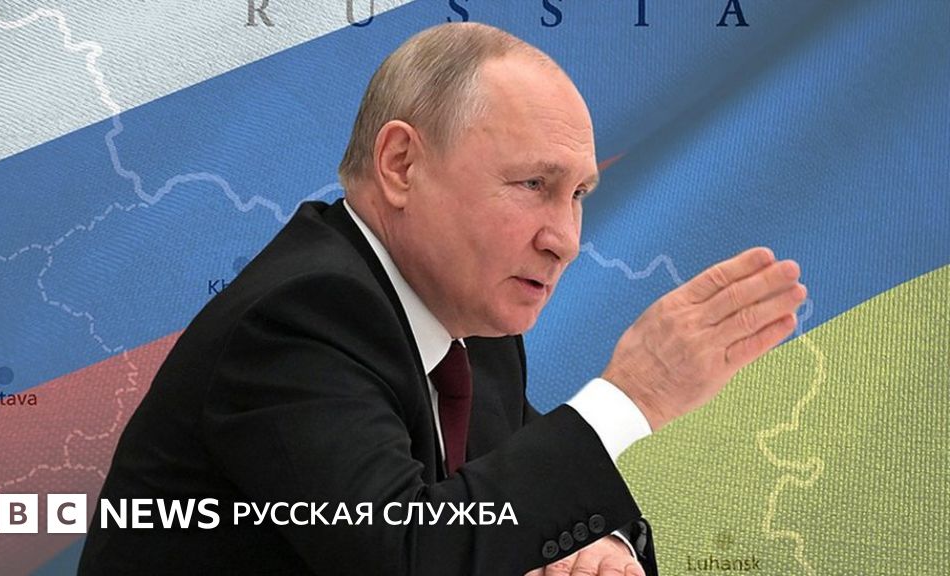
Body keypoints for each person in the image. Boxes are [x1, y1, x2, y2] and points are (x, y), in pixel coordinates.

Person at [78, 23, 806, 576]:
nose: (564, 239)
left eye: (578, 194)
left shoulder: (471, 326)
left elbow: (513, 490)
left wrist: (600, 547)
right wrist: (632, 396)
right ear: (401, 164)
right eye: (534, 184)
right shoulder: (300, 317)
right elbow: (405, 551)